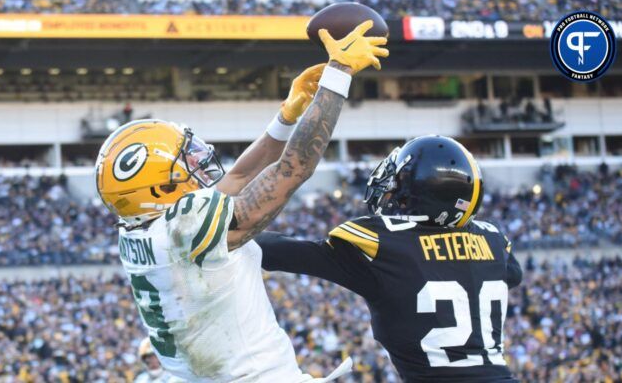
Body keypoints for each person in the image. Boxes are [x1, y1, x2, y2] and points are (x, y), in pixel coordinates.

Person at [95, 20, 388, 382]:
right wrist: (338, 75)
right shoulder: (183, 228)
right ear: (159, 189)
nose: (198, 163)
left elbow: (236, 178)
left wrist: (286, 116)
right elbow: (293, 169)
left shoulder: (143, 230)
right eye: (184, 162)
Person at [258, 136, 522, 382]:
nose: (390, 192)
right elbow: (513, 274)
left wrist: (225, 224)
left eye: (397, 184)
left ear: (418, 192)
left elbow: (279, 251)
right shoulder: (493, 240)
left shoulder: (384, 245)